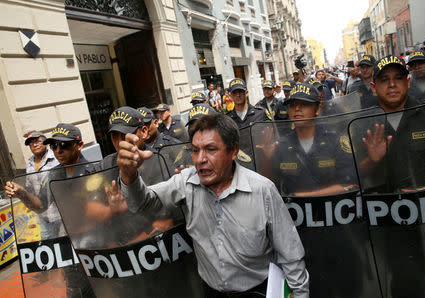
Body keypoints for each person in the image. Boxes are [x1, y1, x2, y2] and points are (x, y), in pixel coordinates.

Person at [115, 113, 310, 297]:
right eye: (195, 150)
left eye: (211, 149)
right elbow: (141, 204)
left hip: (259, 291)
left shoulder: (262, 190)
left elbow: (291, 254)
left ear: (233, 151)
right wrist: (129, 174)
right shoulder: (186, 183)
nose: (200, 160)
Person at [5, 123, 95, 297]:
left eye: (64, 145)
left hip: (92, 245)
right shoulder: (54, 175)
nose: (58, 150)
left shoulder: (92, 171)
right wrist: (22, 193)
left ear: (79, 145)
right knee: (74, 291)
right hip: (67, 246)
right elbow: (40, 205)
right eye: (54, 145)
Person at [358, 55, 425, 192]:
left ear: (408, 82)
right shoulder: (362, 123)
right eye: (384, 80)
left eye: (398, 78)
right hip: (381, 209)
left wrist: (418, 193)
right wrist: (371, 160)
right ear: (373, 87)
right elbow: (350, 179)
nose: (392, 85)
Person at [257, 83, 357, 197]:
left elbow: (349, 184)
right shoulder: (280, 145)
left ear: (318, 108)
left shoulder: (335, 141)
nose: (297, 109)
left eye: (304, 104)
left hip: (334, 208)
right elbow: (269, 186)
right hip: (293, 212)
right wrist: (266, 159)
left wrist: (301, 196)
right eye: (293, 105)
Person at [23, 132, 59, 239]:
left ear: (45, 142)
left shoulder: (56, 158)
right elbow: (29, 187)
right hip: (42, 213)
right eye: (31, 143)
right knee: (47, 239)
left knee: (64, 241)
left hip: (58, 211)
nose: (34, 145)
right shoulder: (29, 163)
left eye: (37, 141)